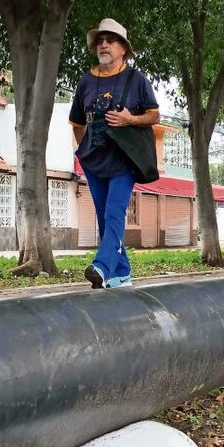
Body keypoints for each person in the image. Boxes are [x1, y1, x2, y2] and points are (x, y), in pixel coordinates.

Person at [70, 18, 160, 289]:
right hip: (94, 161)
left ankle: (102, 266)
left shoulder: (136, 80)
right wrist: (85, 149)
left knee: (113, 213)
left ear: (123, 48)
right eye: (101, 40)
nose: (104, 45)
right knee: (101, 214)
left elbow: (154, 115)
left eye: (111, 40)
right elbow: (77, 123)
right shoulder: (86, 81)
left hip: (123, 159)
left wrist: (129, 119)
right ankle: (122, 273)